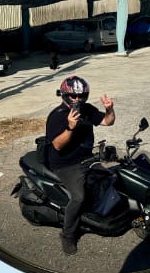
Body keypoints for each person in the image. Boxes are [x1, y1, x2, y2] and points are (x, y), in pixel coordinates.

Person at [46, 75, 115, 255]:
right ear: (65, 95)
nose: (77, 99)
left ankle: (96, 214)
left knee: (109, 178)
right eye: (74, 96)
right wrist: (70, 127)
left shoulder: (87, 109)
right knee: (79, 197)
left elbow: (108, 121)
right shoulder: (57, 116)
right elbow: (57, 145)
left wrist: (109, 109)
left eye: (81, 95)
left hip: (86, 158)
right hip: (65, 164)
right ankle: (68, 234)